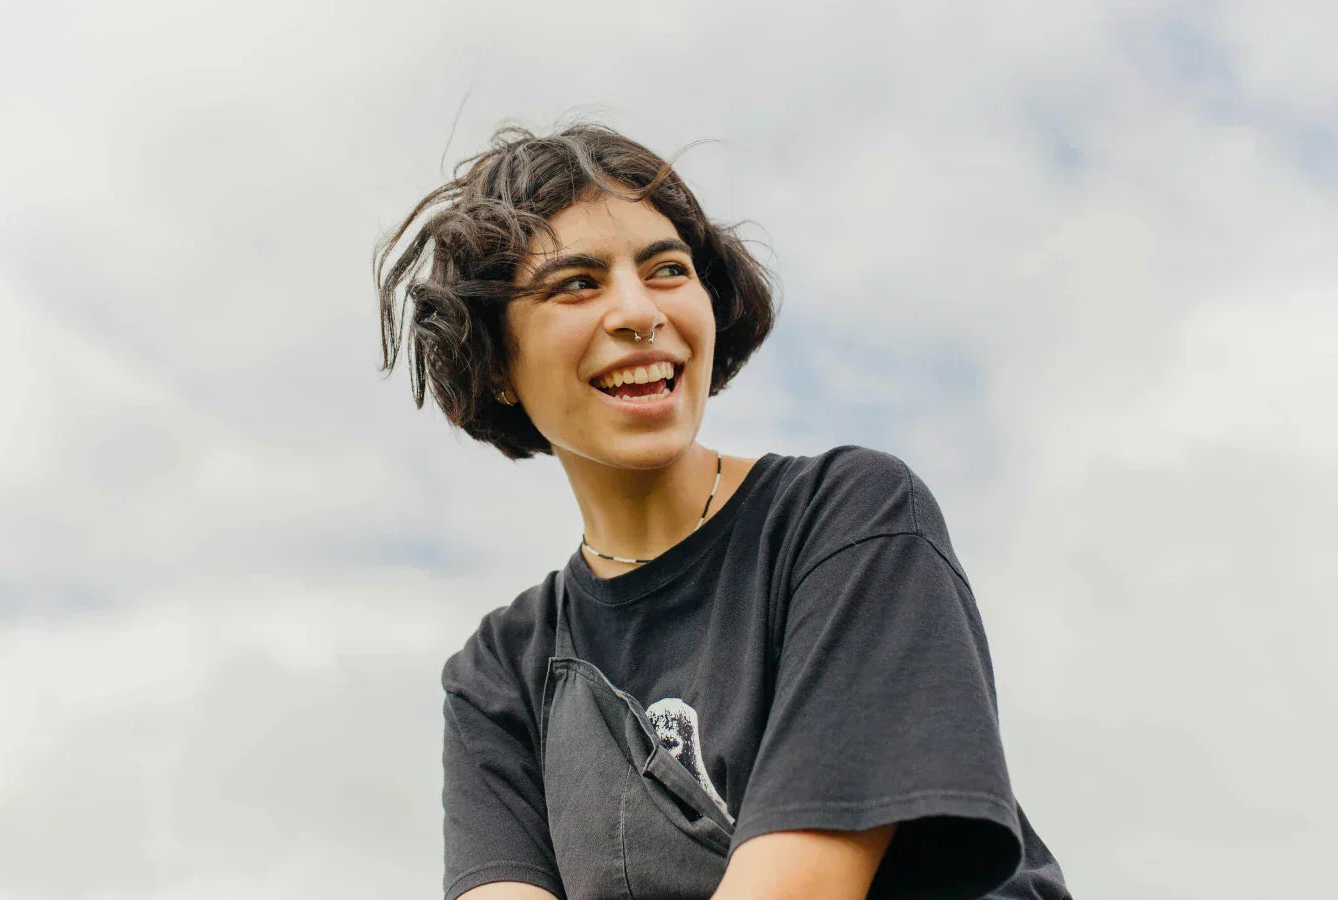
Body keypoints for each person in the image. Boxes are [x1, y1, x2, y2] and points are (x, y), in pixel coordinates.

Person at [375, 122, 1072, 900]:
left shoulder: (848, 520)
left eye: (667, 269)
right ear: (496, 363)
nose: (639, 312)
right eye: (577, 283)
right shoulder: (499, 674)